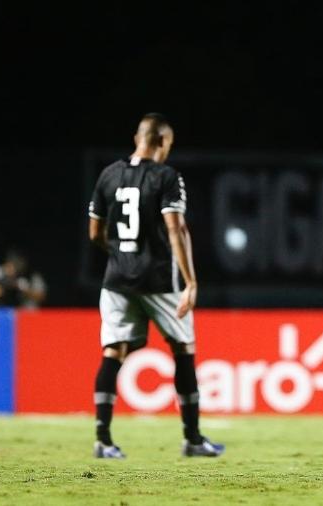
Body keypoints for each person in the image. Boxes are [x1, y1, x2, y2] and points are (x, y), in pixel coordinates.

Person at [87, 113, 223, 459]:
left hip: (116, 279)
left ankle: (103, 440)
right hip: (159, 279)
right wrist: (191, 282)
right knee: (183, 348)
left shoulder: (108, 174)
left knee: (112, 352)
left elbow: (94, 233)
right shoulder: (166, 176)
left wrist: (118, 253)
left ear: (138, 137)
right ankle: (192, 438)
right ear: (161, 142)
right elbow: (176, 229)